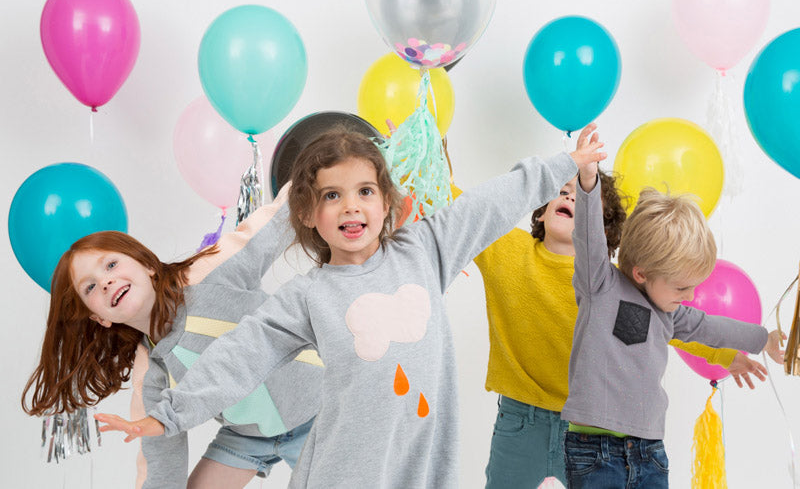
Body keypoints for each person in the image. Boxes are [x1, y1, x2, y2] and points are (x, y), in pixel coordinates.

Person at [93, 127, 605, 488]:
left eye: (364, 191)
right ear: (310, 216)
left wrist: (564, 164)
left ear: (386, 202)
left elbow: (492, 203)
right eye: (332, 196)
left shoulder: (426, 249)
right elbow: (238, 355)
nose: (351, 206)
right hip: (343, 471)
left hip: (424, 461)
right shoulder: (309, 295)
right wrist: (170, 416)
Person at [475, 125, 768, 488]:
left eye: (579, 199)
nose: (567, 197)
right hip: (522, 422)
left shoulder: (611, 287)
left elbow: (672, 328)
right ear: (539, 212)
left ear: (603, 233)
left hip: (590, 430)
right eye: (559, 191)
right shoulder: (507, 250)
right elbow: (460, 210)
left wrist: (726, 355)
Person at [21, 187, 323, 489]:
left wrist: (317, 172)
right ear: (100, 318)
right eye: (89, 287)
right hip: (247, 437)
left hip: (319, 412)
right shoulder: (151, 373)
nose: (105, 282)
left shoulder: (209, 275)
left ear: (148, 265)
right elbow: (161, 461)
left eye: (111, 265)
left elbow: (269, 227)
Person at [560, 128, 784, 489]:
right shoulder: (600, 284)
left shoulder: (671, 314)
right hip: (595, 450)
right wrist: (588, 182)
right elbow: (589, 237)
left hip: (649, 451)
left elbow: (714, 327)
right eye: (682, 286)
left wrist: (764, 339)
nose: (691, 295)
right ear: (641, 273)